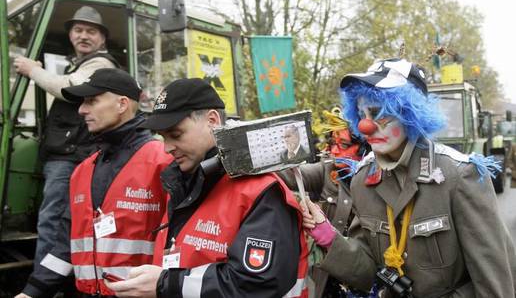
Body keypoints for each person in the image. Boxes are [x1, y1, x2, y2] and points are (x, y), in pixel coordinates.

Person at [302, 58, 516, 297]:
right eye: (362, 113)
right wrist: (327, 235)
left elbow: (494, 283)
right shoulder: (363, 180)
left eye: (379, 113)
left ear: (410, 113)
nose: (365, 126)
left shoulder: (459, 175)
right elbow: (368, 270)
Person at [105, 78, 309, 298]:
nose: (167, 148)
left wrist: (165, 284)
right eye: (162, 137)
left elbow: (256, 284)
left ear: (212, 120)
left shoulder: (261, 191)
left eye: (176, 134)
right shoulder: (184, 181)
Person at [15, 68, 173, 298]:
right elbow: (65, 247)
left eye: (91, 101)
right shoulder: (82, 171)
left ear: (121, 104)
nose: (81, 110)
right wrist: (30, 293)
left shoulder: (163, 161)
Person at [13, 5, 119, 267]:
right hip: (69, 151)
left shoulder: (99, 63)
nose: (84, 36)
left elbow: (69, 88)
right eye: (78, 30)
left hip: (73, 154)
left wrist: (32, 70)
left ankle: (44, 283)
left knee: (54, 220)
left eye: (91, 31)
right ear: (71, 35)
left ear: (102, 39)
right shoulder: (80, 64)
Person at [278, 108, 370, 298]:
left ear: (366, 147)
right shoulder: (327, 171)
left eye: (343, 144)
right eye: (332, 143)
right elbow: (287, 174)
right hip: (329, 280)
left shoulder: (380, 179)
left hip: (366, 279)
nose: (334, 151)